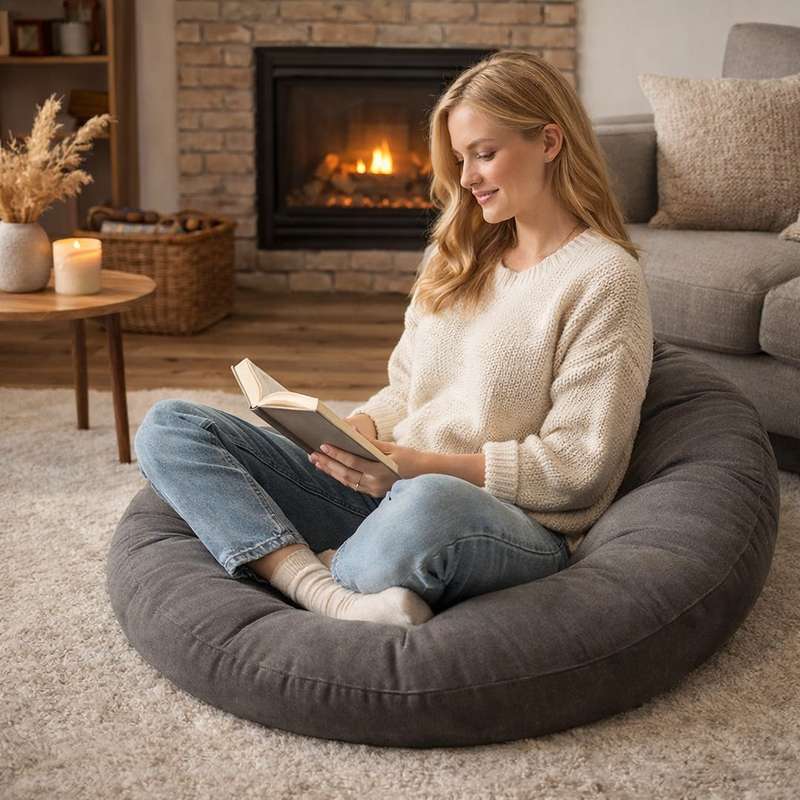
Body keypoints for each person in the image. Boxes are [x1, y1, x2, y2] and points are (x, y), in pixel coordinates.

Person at [134, 50, 653, 629]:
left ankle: (310, 563)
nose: (467, 179)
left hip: (496, 518)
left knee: (427, 504)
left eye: (484, 154)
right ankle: (328, 589)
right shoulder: (455, 256)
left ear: (550, 142)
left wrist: (417, 469)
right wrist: (361, 429)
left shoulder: (603, 278)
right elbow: (407, 390)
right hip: (386, 488)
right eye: (460, 159)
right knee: (172, 427)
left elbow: (580, 467)